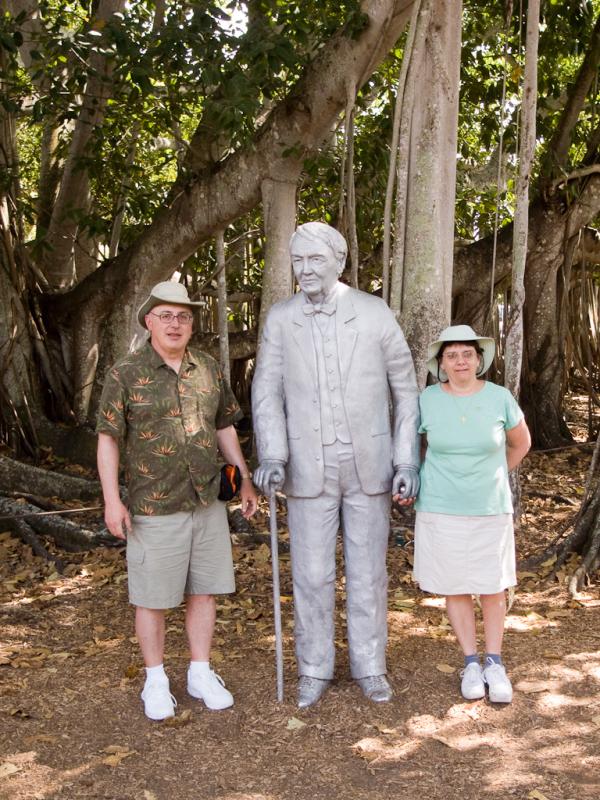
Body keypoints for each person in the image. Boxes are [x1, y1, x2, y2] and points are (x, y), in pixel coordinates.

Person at [252, 222, 420, 708]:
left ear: (339, 262)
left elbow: (405, 392)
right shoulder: (281, 319)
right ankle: (314, 667)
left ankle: (370, 665)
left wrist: (405, 459)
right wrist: (274, 454)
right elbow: (266, 391)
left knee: (368, 572)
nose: (305, 270)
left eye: (315, 260)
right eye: (298, 261)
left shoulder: (373, 312)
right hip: (307, 466)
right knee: (310, 573)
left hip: (369, 463)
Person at [96, 281, 257, 721]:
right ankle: (155, 680)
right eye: (166, 315)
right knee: (152, 597)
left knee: (204, 591)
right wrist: (113, 500)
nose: (175, 323)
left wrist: (244, 479)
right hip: (152, 506)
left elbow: (225, 426)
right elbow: (108, 440)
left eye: (183, 316)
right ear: (149, 321)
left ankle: (200, 672)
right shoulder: (125, 373)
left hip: (206, 501)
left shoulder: (206, 368)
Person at [413, 324, 531, 703]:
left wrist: (494, 474)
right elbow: (412, 448)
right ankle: (470, 662)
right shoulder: (427, 399)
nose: (460, 361)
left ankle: (494, 662)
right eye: (452, 355)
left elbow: (521, 443)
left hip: (489, 506)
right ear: (441, 363)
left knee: (493, 585)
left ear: (479, 360)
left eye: (467, 354)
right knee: (455, 585)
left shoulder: (499, 398)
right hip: (440, 506)